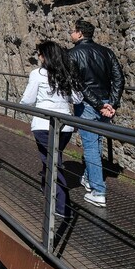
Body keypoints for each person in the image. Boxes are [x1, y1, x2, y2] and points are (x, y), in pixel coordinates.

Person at [20, 41, 83, 219]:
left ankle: (62, 208)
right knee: (51, 159)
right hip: (65, 125)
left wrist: (22, 102)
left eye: (39, 54)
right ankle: (47, 188)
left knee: (53, 163)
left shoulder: (38, 74)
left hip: (44, 125)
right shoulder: (65, 73)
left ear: (45, 56)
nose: (38, 57)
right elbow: (78, 98)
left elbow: (28, 100)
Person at [68, 18, 124, 208]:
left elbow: (79, 84)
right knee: (97, 142)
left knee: (91, 146)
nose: (70, 34)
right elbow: (119, 78)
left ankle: (98, 191)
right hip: (106, 103)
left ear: (80, 33)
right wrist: (112, 102)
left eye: (72, 31)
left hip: (88, 105)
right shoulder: (106, 52)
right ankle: (89, 177)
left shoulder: (72, 54)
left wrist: (99, 104)